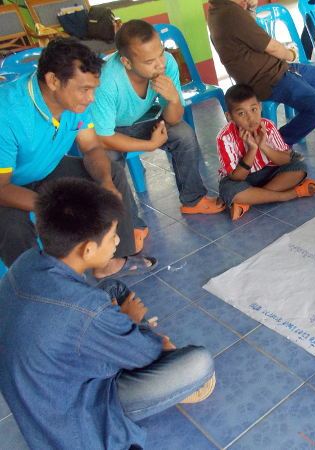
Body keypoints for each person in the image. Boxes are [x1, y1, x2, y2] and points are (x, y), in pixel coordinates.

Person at [0, 178, 216, 448]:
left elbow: (79, 316)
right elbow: (146, 353)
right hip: (75, 414)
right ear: (87, 249)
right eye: (113, 235)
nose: (117, 242)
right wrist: (135, 324)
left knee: (112, 287)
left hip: (42, 391)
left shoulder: (27, 261)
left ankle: (123, 331)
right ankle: (132, 338)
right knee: (198, 362)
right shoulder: (86, 311)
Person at [0, 38, 154, 278]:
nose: (91, 98)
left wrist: (105, 183)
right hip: (8, 186)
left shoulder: (76, 103)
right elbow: (3, 188)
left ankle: (110, 261)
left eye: (93, 89)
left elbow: (92, 147)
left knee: (111, 172)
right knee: (13, 226)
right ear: (53, 81)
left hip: (45, 167)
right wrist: (55, 207)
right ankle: (42, 288)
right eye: (84, 89)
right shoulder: (8, 112)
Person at [90, 20, 225, 216]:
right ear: (126, 62)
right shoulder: (107, 82)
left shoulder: (167, 63)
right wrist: (149, 145)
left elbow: (174, 119)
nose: (160, 64)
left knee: (183, 134)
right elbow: (102, 137)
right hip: (112, 131)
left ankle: (193, 200)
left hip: (146, 120)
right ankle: (128, 223)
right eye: (149, 61)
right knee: (107, 158)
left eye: (160, 53)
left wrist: (172, 100)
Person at [207, 0, 315, 146]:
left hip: (277, 69)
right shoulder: (231, 14)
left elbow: (250, 34)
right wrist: (292, 55)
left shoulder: (218, 10)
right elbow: (272, 47)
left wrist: (251, 8)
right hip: (268, 79)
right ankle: (275, 144)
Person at [217, 84, 315, 220]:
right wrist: (252, 149)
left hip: (269, 172)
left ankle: (250, 200)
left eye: (253, 109)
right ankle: (287, 195)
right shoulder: (224, 137)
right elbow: (237, 178)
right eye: (241, 113)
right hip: (242, 180)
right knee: (228, 190)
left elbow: (285, 160)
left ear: (260, 106)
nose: (250, 118)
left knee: (299, 167)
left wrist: (263, 146)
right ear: (229, 117)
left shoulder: (268, 126)